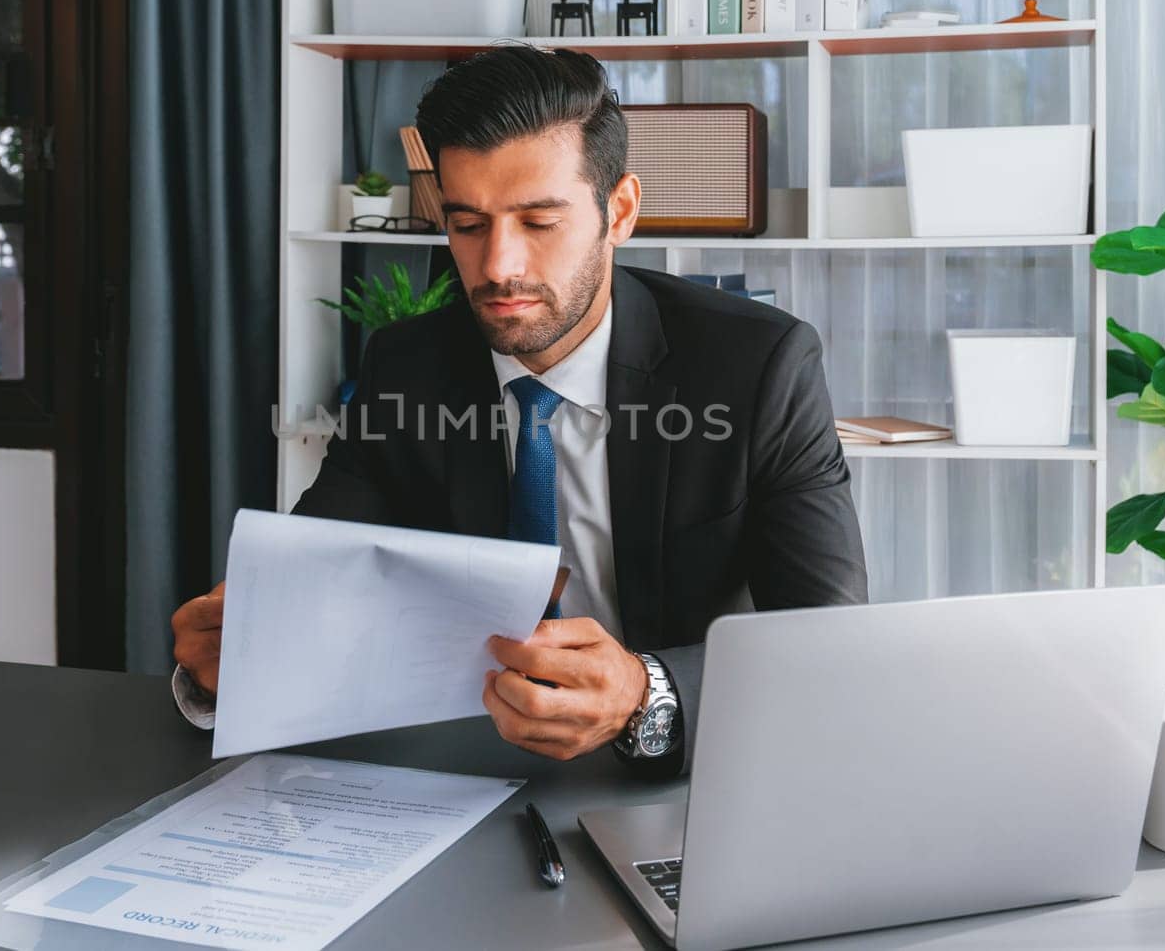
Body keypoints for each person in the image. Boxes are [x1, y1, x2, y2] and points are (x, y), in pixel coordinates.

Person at [171, 45, 867, 775]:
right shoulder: (405, 369)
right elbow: (316, 585)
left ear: (620, 211)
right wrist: (228, 665)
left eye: (539, 222)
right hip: (459, 772)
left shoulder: (757, 367)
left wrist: (645, 691)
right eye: (468, 224)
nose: (499, 265)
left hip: (678, 775)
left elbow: (830, 649)